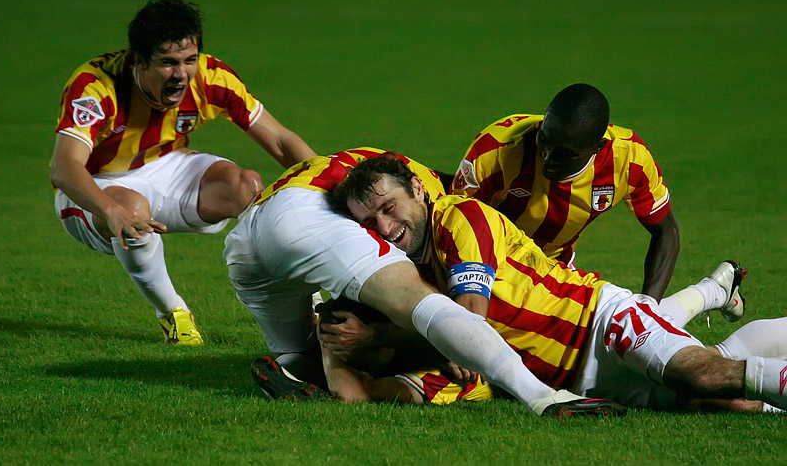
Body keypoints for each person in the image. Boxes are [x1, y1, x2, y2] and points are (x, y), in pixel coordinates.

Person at [325, 153, 787, 412]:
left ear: (417, 190)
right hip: (578, 380)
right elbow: (367, 389)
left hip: (600, 322)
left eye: (389, 208)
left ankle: (712, 291)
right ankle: (716, 292)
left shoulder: (460, 219)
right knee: (727, 400)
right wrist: (335, 342)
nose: (385, 228)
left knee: (703, 373)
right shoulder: (403, 267)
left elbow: (469, 321)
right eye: (370, 222)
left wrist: (380, 337)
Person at [225, 148, 625, 416]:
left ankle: (298, 367)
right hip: (301, 215)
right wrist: (445, 344)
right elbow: (460, 308)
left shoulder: (371, 179)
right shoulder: (426, 198)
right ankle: (541, 398)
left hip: (246, 239)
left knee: (306, 348)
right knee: (419, 305)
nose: (386, 225)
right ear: (418, 188)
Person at [50, 0, 315, 345]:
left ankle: (311, 300)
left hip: (165, 166)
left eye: (190, 60)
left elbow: (280, 140)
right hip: (91, 187)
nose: (181, 75)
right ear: (138, 60)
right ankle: (174, 315)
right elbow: (64, 167)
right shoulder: (96, 86)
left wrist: (327, 180)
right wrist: (111, 209)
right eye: (167, 63)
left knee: (247, 187)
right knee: (132, 209)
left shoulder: (211, 77)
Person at [450, 85, 685, 305]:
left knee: (614, 327)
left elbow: (666, 231)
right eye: (544, 141)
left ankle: (705, 292)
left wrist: (648, 306)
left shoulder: (629, 160)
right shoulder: (497, 149)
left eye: (565, 154)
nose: (548, 158)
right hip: (485, 265)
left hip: (552, 271)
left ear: (597, 148)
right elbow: (452, 222)